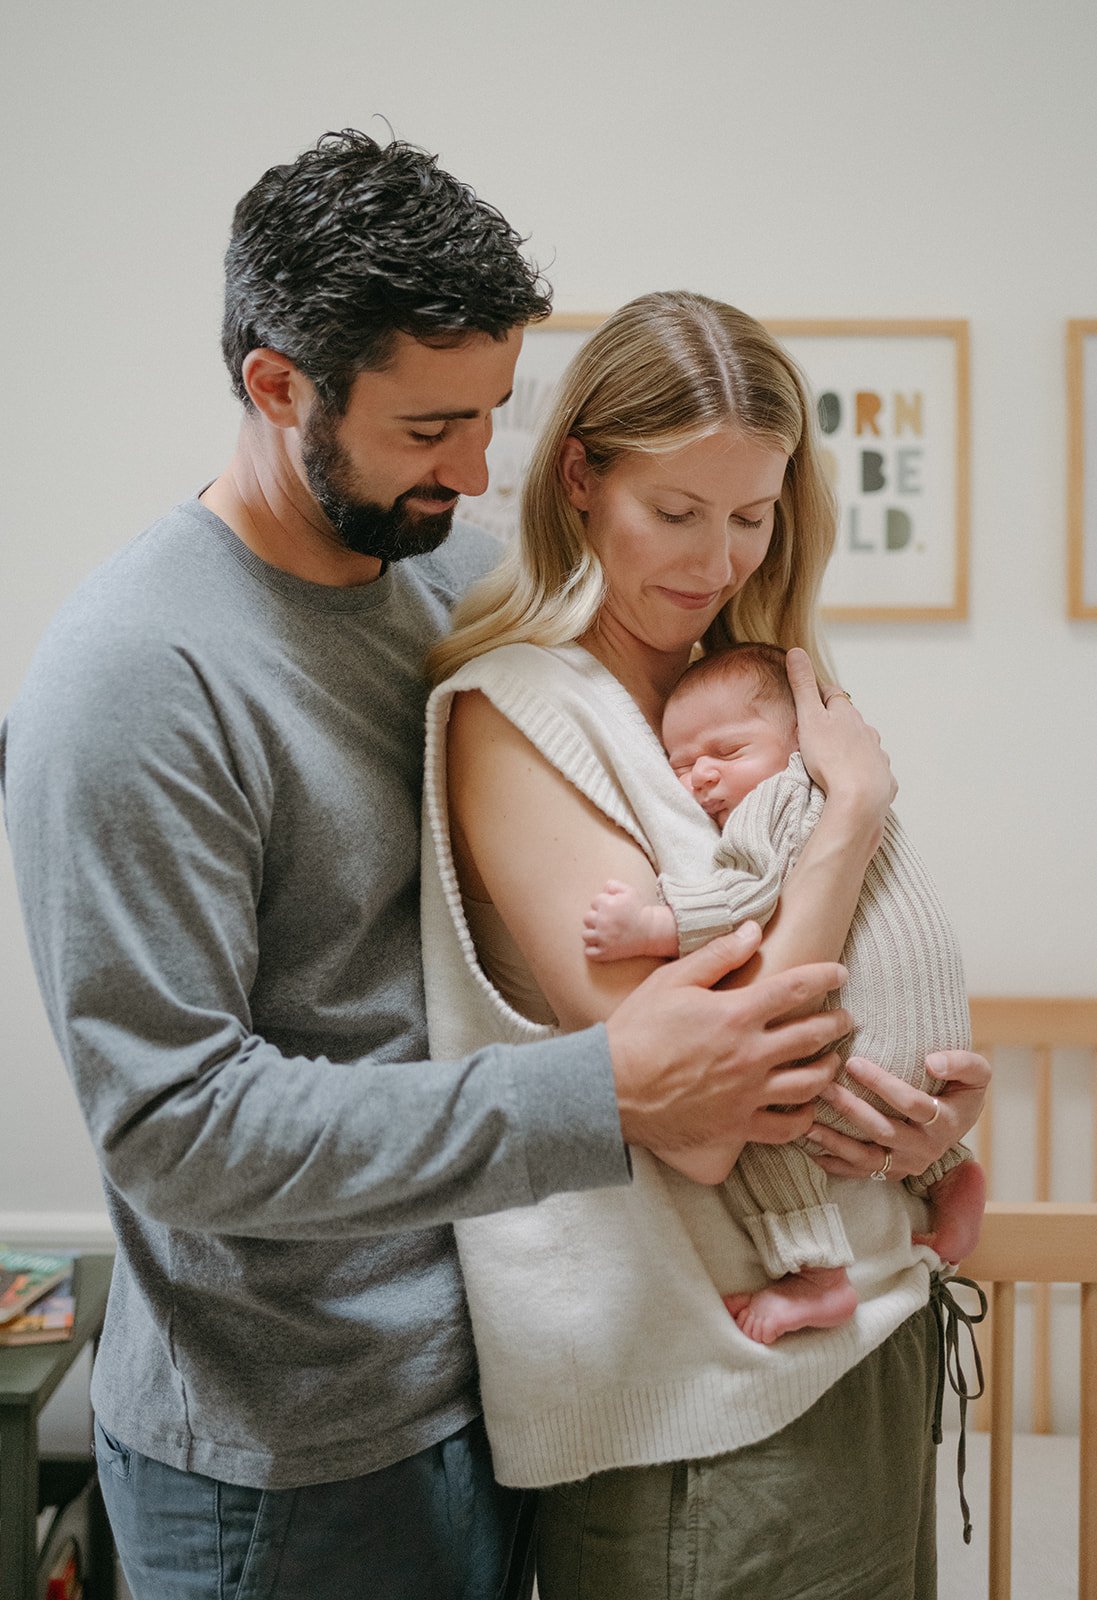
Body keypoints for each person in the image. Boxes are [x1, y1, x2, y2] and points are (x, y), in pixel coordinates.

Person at [0, 135, 867, 1600]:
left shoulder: (457, 584)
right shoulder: (134, 681)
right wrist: (603, 1093)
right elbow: (169, 1125)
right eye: (429, 429)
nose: (475, 471)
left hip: (511, 1372)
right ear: (279, 387)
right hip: (293, 1451)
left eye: (492, 416)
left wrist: (829, 1067)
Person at [423, 290, 990, 1599]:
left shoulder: (737, 690)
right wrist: (849, 809)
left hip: (874, 1328)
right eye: (676, 512)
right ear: (580, 477)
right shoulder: (520, 716)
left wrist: (932, 1119)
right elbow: (699, 1118)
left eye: (753, 515)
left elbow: (871, 958)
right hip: (698, 1413)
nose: (719, 557)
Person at [583, 640, 987, 1345]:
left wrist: (649, 923)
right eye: (679, 764)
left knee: (757, 1113)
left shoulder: (779, 796)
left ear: (799, 741)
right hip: (933, 1052)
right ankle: (951, 1178)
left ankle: (813, 1272)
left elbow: (746, 891)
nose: (702, 775)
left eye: (727, 751)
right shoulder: (848, 796)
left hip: (862, 1069)